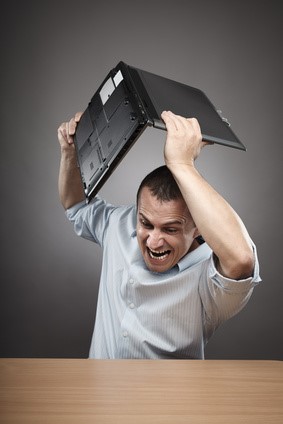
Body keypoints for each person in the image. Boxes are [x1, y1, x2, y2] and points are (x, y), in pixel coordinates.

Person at [57, 110, 261, 359]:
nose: (154, 241)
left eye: (170, 229)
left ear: (198, 228)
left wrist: (182, 164)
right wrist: (71, 153)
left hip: (170, 398)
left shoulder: (209, 279)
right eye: (146, 223)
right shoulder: (119, 224)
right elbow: (76, 205)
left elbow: (241, 260)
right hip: (101, 393)